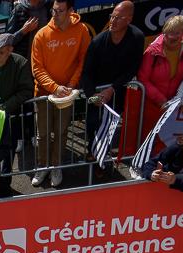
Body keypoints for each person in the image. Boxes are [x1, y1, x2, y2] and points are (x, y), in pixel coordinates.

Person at [30, 0, 89, 187]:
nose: (55, 14)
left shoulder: (81, 31)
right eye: (53, 10)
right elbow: (37, 68)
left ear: (70, 10)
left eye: (60, 11)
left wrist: (70, 85)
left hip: (66, 94)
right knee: (43, 134)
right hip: (44, 94)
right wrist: (55, 88)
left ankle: (56, 166)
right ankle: (42, 166)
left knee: (62, 132)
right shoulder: (41, 35)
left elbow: (83, 60)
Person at [81, 2, 145, 142]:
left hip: (118, 91)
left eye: (118, 18)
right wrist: (93, 96)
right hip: (97, 93)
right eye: (112, 16)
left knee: (110, 130)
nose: (113, 21)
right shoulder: (97, 42)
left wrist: (112, 89)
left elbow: (133, 68)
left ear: (129, 19)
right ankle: (92, 152)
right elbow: (86, 73)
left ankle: (105, 154)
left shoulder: (137, 37)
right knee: (92, 127)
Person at [139, 15, 183, 125]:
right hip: (152, 104)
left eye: (176, 33)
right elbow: (143, 79)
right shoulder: (152, 51)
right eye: (169, 33)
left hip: (177, 104)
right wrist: (161, 100)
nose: (171, 37)